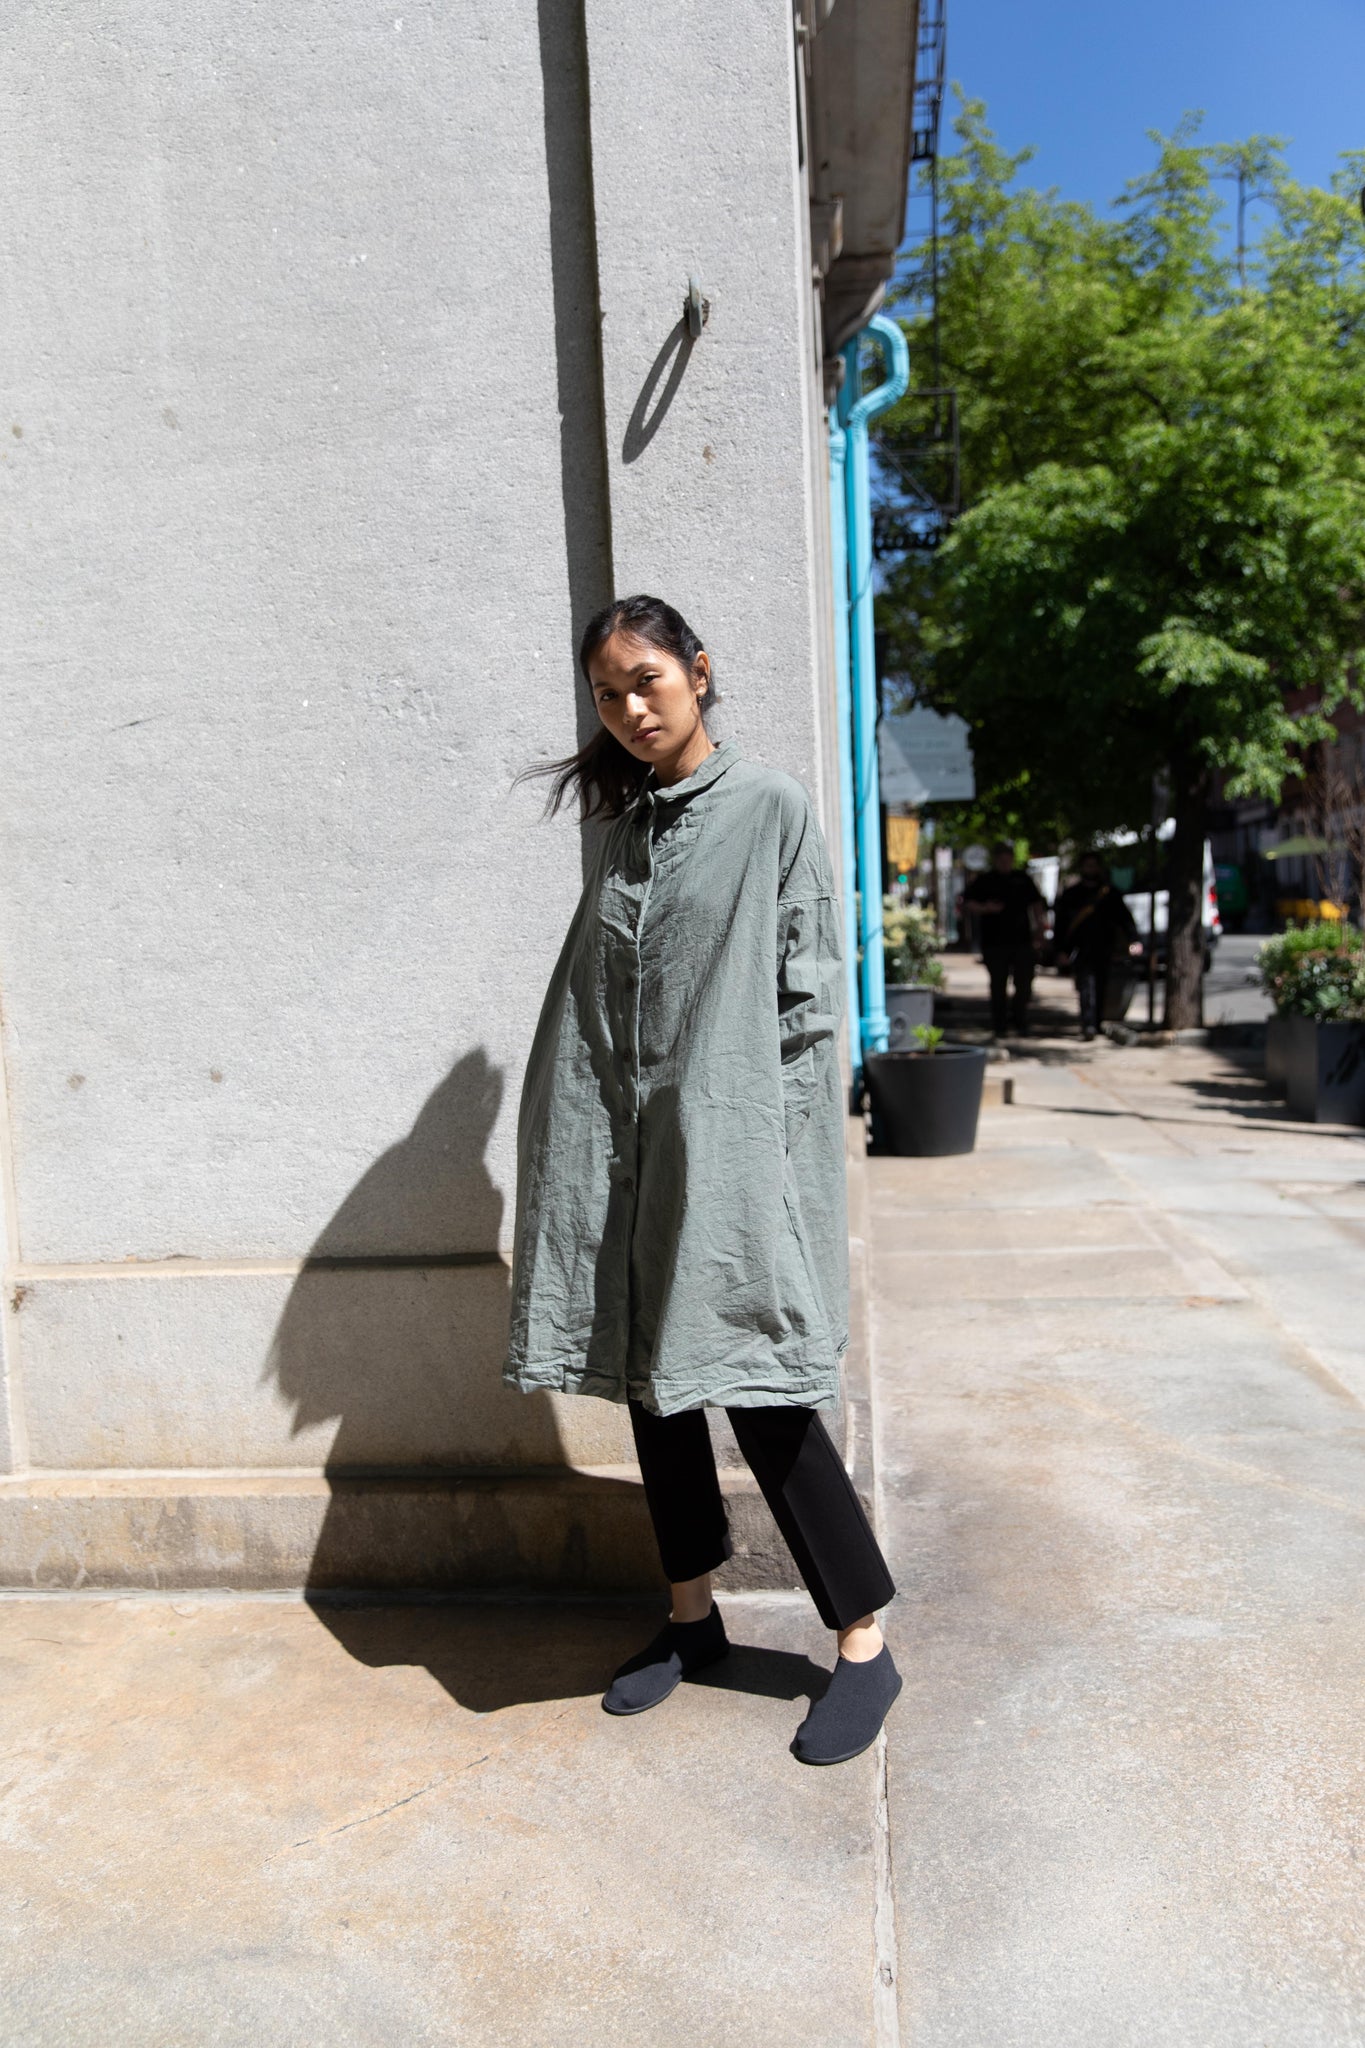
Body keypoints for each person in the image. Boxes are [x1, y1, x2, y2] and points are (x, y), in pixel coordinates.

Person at [506, 595, 899, 1766]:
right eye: (608, 693)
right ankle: (692, 1616)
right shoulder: (628, 831)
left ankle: (865, 1642)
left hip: (731, 1137)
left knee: (762, 1383)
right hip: (635, 1144)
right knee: (654, 1376)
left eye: (647, 680)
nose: (631, 707)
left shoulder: (768, 805)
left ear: (698, 671)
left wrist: (772, 1155)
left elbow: (808, 996)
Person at [1054, 850, 1144, 1040]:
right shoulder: (1072, 895)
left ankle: (1097, 1022)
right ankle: (1088, 1024)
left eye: (1094, 866)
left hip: (1105, 947)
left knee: (1102, 985)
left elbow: (1125, 919)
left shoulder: (1110, 894)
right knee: (1086, 985)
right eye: (1088, 866)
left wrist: (1134, 940)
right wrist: (1061, 950)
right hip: (1081, 948)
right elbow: (1061, 925)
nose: (1091, 869)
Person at [962, 842, 1046, 1038]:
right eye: (1001, 858)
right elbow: (968, 903)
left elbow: (1036, 905)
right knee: (998, 985)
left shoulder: (1022, 879)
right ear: (995, 860)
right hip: (994, 942)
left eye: (1007, 858)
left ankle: (1020, 1020)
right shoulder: (985, 880)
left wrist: (1040, 930)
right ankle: (999, 1024)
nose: (1004, 862)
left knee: (1024, 984)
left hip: (1022, 940)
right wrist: (986, 908)